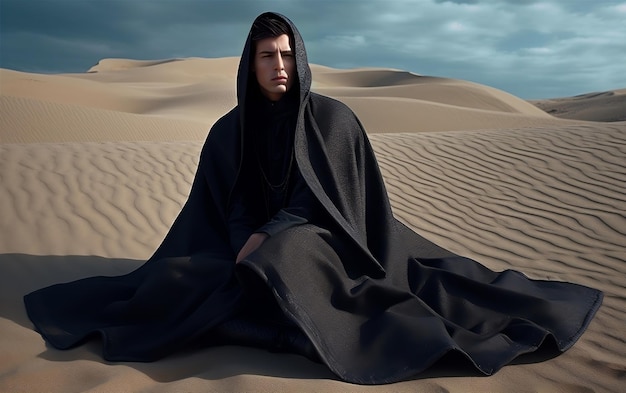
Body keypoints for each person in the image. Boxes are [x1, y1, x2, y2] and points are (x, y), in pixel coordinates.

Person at [24, 12, 603, 385]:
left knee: (284, 255)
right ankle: (270, 318)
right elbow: (225, 202)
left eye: (284, 55)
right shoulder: (232, 129)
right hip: (250, 242)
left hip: (334, 243)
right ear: (249, 65)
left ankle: (292, 324)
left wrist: (266, 236)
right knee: (182, 281)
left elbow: (326, 204)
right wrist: (240, 239)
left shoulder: (333, 120)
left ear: (299, 59)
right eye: (265, 56)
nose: (278, 67)